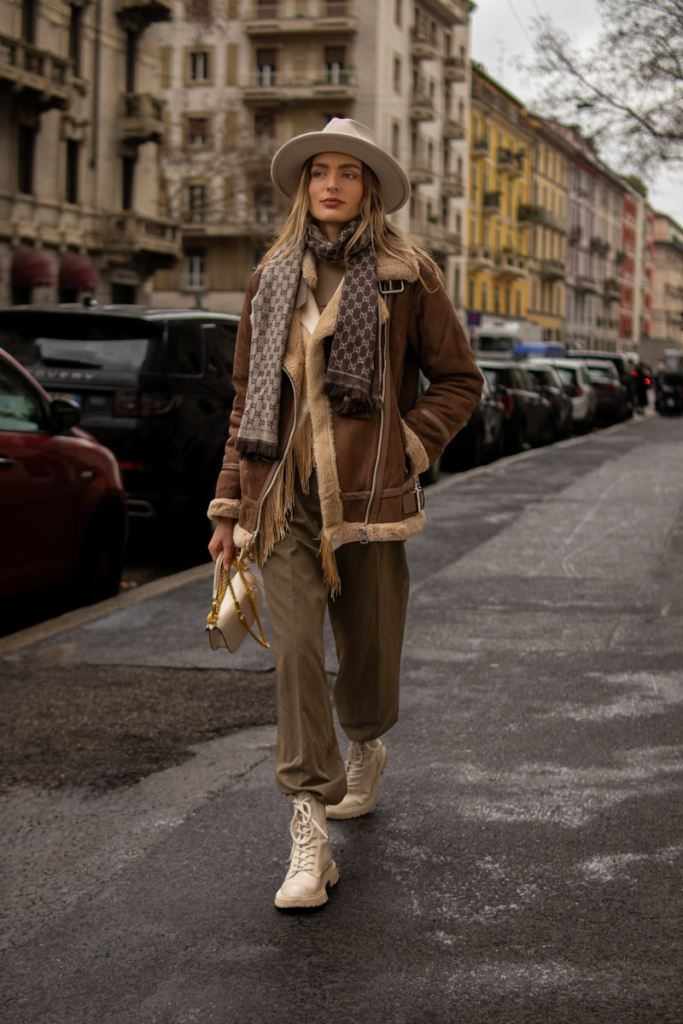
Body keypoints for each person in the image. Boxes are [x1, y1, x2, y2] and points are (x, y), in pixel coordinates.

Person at [208, 119, 482, 910]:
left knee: (368, 647)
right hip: (283, 497)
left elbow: (458, 382)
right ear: (303, 187)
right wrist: (230, 504)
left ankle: (366, 743)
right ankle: (307, 828)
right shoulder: (269, 277)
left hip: (365, 497)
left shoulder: (406, 274)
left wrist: (408, 444)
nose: (330, 183)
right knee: (293, 653)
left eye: (348, 173)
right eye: (318, 171)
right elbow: (245, 403)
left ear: (368, 188)